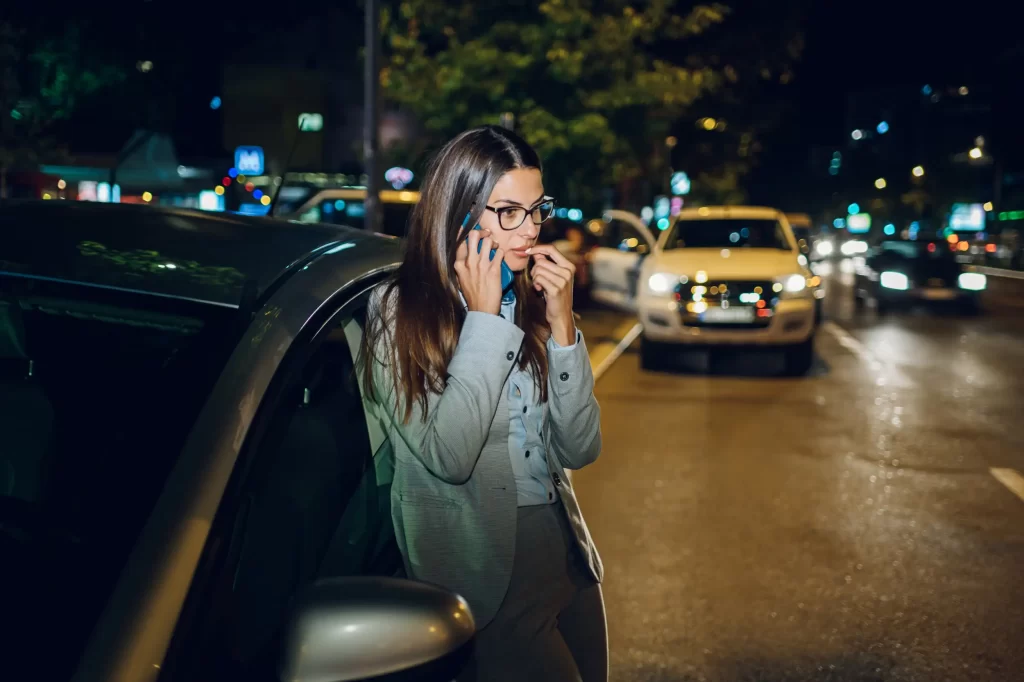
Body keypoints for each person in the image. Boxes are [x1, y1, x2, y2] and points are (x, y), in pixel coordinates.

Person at [360, 125, 607, 681]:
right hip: (485, 566)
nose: (531, 230)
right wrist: (482, 317)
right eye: (508, 211)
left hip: (565, 551)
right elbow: (451, 456)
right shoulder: (399, 311)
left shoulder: (530, 299)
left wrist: (563, 325)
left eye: (537, 210)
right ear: (459, 212)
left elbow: (580, 447)